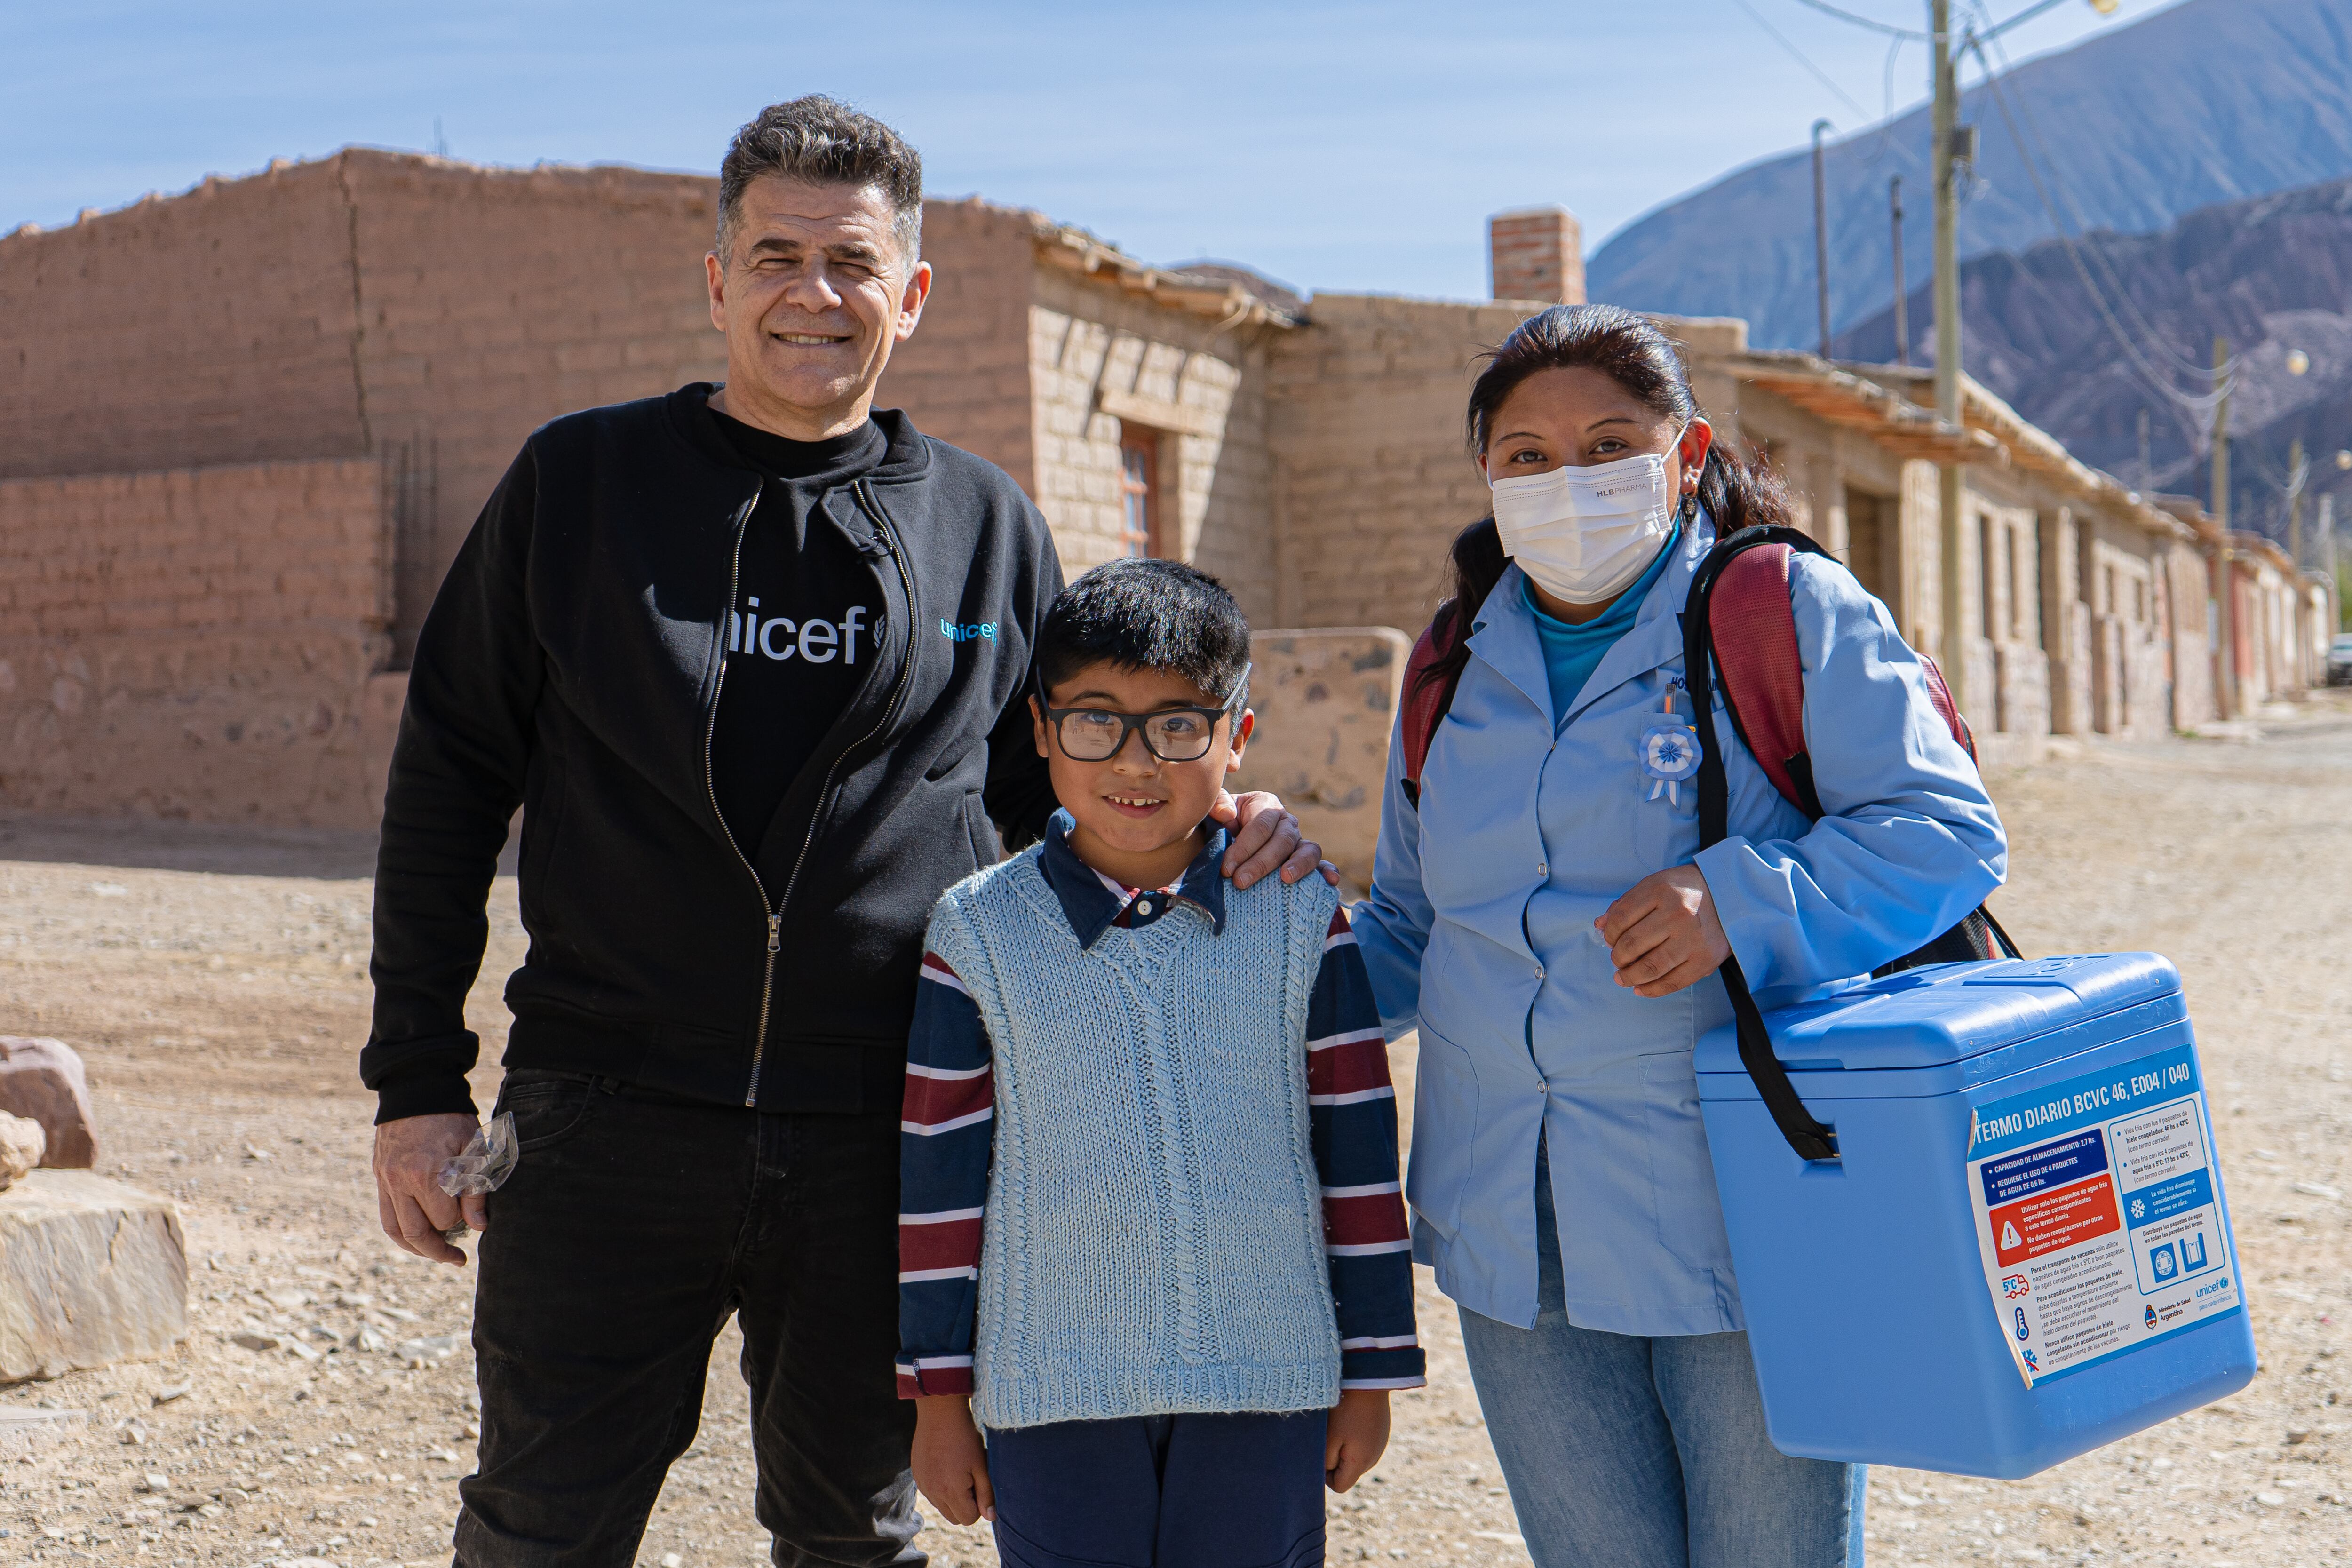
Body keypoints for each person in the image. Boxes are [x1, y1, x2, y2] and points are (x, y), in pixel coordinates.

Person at [360, 98, 1326, 1568]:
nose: (815, 293)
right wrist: (418, 1079)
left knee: (854, 1533)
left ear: (912, 292)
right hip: (605, 1115)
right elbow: (447, 778)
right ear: (719, 279)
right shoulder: (580, 486)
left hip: (884, 1129)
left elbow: (1056, 795)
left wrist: (1214, 817)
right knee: (538, 1526)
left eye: (854, 262)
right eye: (777, 254)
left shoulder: (987, 528)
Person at [1352, 304, 2008, 1568]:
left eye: (1610, 443)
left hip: (1746, 1207)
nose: (1567, 480)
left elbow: (1947, 830)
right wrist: (1237, 974)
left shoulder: (1777, 608)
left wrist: (1742, 899)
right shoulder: (1450, 664)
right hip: (1513, 1220)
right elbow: (1409, 927)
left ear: (1687, 450)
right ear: (1489, 477)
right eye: (1528, 457)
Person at [893, 559, 1424, 1568]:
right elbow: (939, 1188)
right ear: (1042, 730)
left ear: (1239, 735)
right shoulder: (976, 933)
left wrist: (1370, 1372)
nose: (1135, 761)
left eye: (1180, 725)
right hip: (1051, 1385)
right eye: (1095, 721)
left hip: (1268, 1378)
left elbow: (1357, 1154)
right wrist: (940, 1400)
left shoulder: (1304, 917)